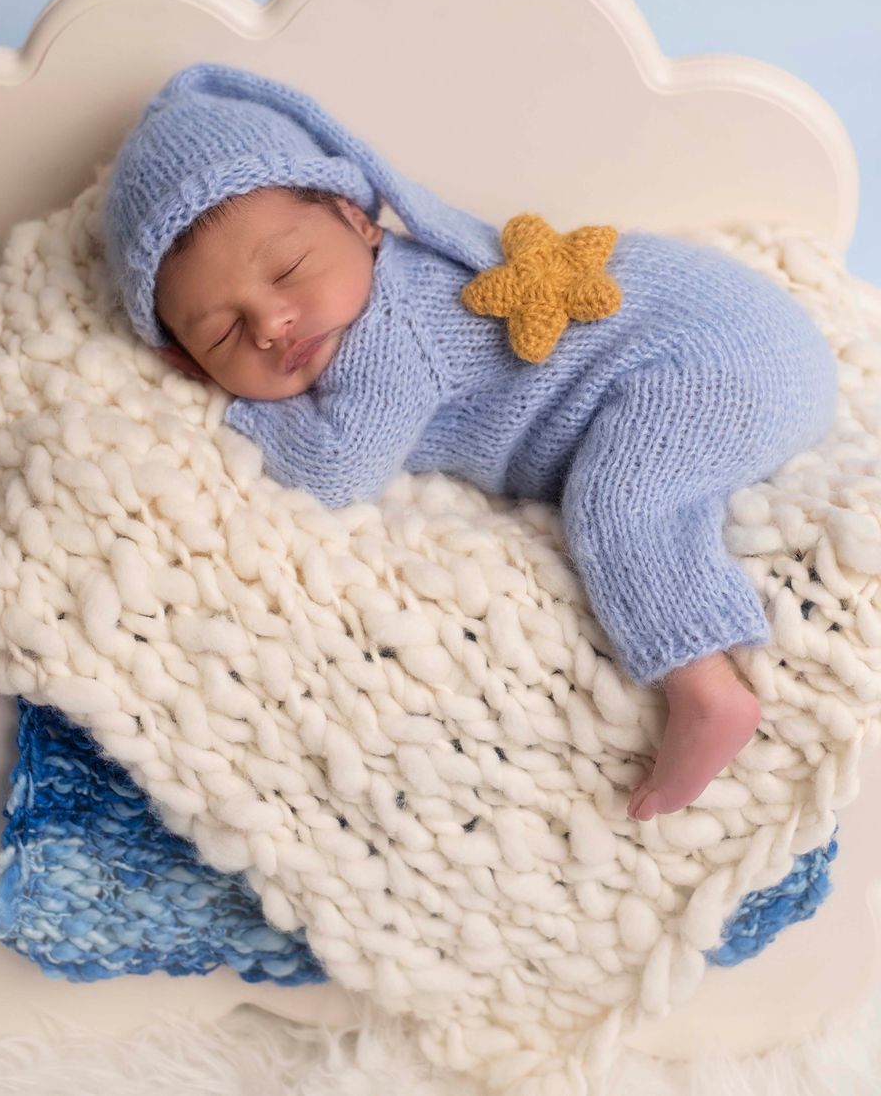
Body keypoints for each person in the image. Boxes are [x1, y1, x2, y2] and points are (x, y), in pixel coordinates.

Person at [103, 63, 838, 820]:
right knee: (631, 481)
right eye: (222, 332)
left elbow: (333, 468)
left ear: (360, 219)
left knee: (623, 502)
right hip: (749, 342)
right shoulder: (369, 295)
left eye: (288, 269)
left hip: (718, 357)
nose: (270, 324)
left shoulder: (397, 326)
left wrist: (232, 406)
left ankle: (706, 687)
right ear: (183, 351)